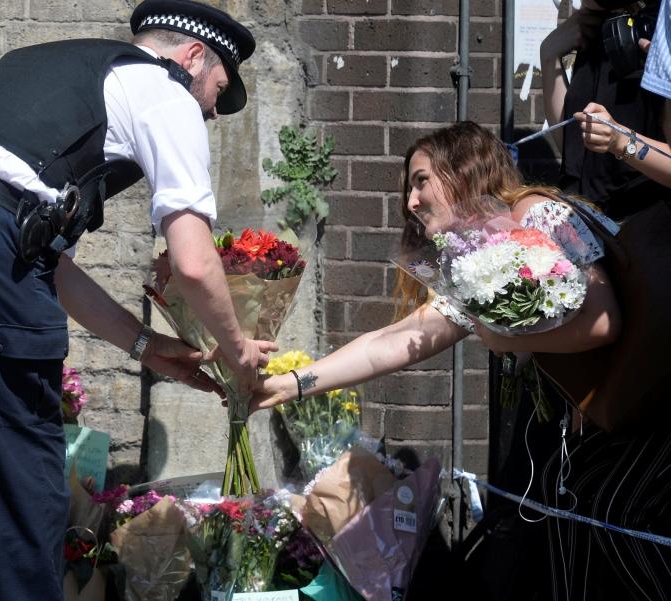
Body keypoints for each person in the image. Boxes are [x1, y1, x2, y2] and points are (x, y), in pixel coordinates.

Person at [0, 1, 279, 599]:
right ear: (193, 57)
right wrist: (237, 348)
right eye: (219, 89)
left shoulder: (53, 69)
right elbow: (195, 262)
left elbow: (38, 259)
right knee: (24, 474)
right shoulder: (165, 92)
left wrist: (144, 345)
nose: (215, 110)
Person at [252, 122, 671, 599]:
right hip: (605, 424)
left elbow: (603, 321)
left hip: (653, 409)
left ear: (463, 172)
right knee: (573, 535)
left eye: (421, 180)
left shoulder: (538, 213)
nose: (411, 202)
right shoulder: (477, 262)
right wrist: (291, 385)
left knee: (620, 524)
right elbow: (394, 341)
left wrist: (502, 339)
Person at [540, 0, 665, 219]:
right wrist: (549, 56)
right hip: (585, 220)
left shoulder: (662, 32)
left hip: (642, 224)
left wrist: (621, 142)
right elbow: (574, 148)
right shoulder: (598, 27)